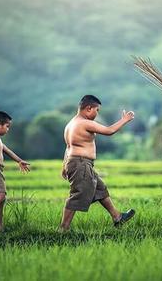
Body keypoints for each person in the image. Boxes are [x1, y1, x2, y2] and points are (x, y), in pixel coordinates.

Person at [59, 95, 136, 231]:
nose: (97, 113)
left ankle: (117, 217)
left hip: (78, 163)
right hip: (80, 164)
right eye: (97, 110)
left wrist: (64, 165)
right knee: (78, 194)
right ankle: (63, 228)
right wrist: (124, 120)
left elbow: (68, 147)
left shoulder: (71, 124)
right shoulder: (85, 123)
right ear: (89, 108)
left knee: (100, 189)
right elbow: (109, 131)